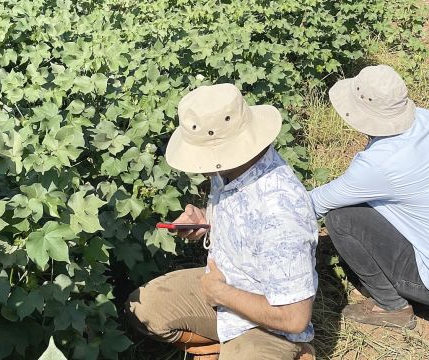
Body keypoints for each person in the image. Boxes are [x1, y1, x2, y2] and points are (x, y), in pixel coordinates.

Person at [125, 83, 318, 359]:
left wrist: (221, 294)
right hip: (222, 284)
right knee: (143, 308)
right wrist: (205, 220)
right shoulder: (231, 167)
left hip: (272, 324)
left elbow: (294, 317)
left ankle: (297, 353)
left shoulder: (281, 209)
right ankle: (218, 347)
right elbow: (243, 219)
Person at [310, 65, 429, 328]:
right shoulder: (428, 120)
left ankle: (390, 307)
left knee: (341, 218)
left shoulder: (381, 164)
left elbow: (313, 205)